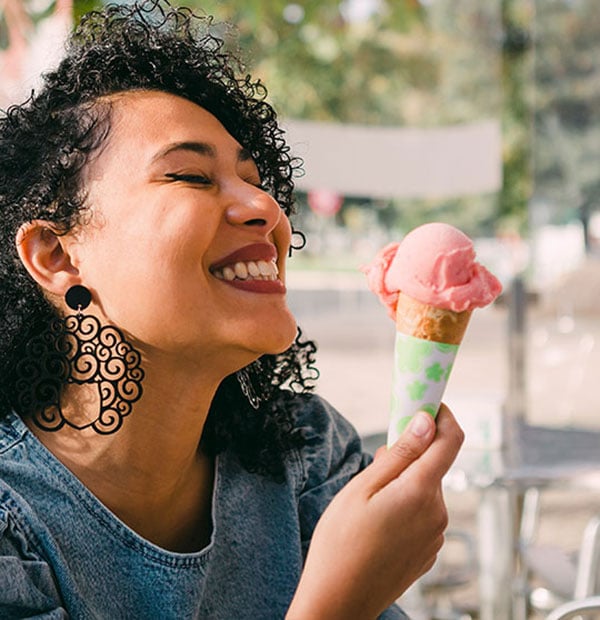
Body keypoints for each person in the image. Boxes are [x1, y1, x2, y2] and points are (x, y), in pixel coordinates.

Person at [0, 1, 464, 618]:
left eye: (254, 178)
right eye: (190, 176)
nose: (265, 208)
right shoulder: (15, 524)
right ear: (56, 254)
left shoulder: (306, 454)